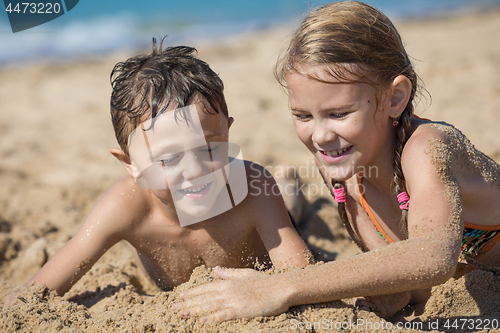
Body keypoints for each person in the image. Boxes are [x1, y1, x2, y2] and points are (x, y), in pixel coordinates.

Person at [172, 1, 500, 323]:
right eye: (303, 115)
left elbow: (432, 257)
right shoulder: (340, 166)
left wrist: (281, 285)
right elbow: (404, 283)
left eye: (339, 114)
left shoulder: (427, 148)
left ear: (395, 98)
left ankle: (291, 192)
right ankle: (291, 192)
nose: (321, 136)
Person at [4, 41, 313, 306]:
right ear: (131, 164)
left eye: (209, 149)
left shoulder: (252, 189)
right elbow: (35, 293)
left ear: (228, 135)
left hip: (272, 213)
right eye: (168, 159)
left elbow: (300, 276)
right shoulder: (125, 207)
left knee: (291, 211)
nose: (194, 171)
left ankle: (289, 186)